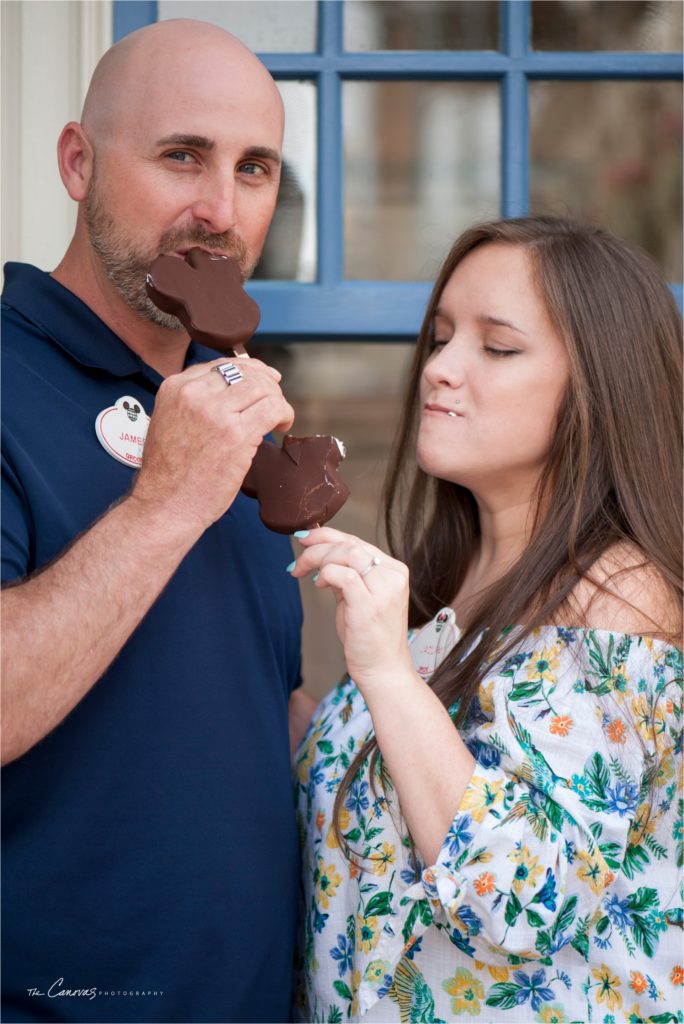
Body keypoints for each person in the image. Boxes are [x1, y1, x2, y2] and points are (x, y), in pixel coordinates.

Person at [289, 217, 683, 1022]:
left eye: (496, 348)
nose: (439, 369)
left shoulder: (620, 598)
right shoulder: (454, 591)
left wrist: (388, 676)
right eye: (439, 338)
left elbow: (519, 899)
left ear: (602, 387)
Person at [2, 19, 308, 1023]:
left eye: (255, 168)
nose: (219, 210)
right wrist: (166, 504)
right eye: (183, 155)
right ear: (78, 162)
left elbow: (244, 716)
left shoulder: (242, 417)